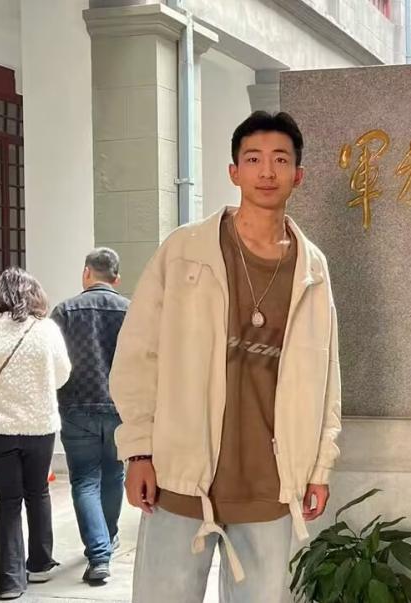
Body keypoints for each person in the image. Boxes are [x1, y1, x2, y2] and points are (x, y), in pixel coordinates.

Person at [110, 111, 343, 603]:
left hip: (270, 481)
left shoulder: (312, 267)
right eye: (253, 159)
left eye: (280, 160)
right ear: (233, 171)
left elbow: (327, 377)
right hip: (181, 469)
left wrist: (319, 467)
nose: (267, 171)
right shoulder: (185, 250)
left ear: (298, 175)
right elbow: (139, 352)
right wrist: (138, 451)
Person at [0, 266, 71, 600]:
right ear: (34, 295)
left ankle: (9, 582)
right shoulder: (46, 329)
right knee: (38, 492)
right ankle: (40, 564)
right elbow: (62, 374)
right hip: (40, 425)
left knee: (7, 501)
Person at [50, 248, 130, 584]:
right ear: (117, 278)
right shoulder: (131, 310)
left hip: (77, 406)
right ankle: (106, 540)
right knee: (114, 475)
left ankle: (99, 555)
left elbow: (53, 361)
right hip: (121, 408)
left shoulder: (65, 311)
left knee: (84, 480)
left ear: (86, 273)